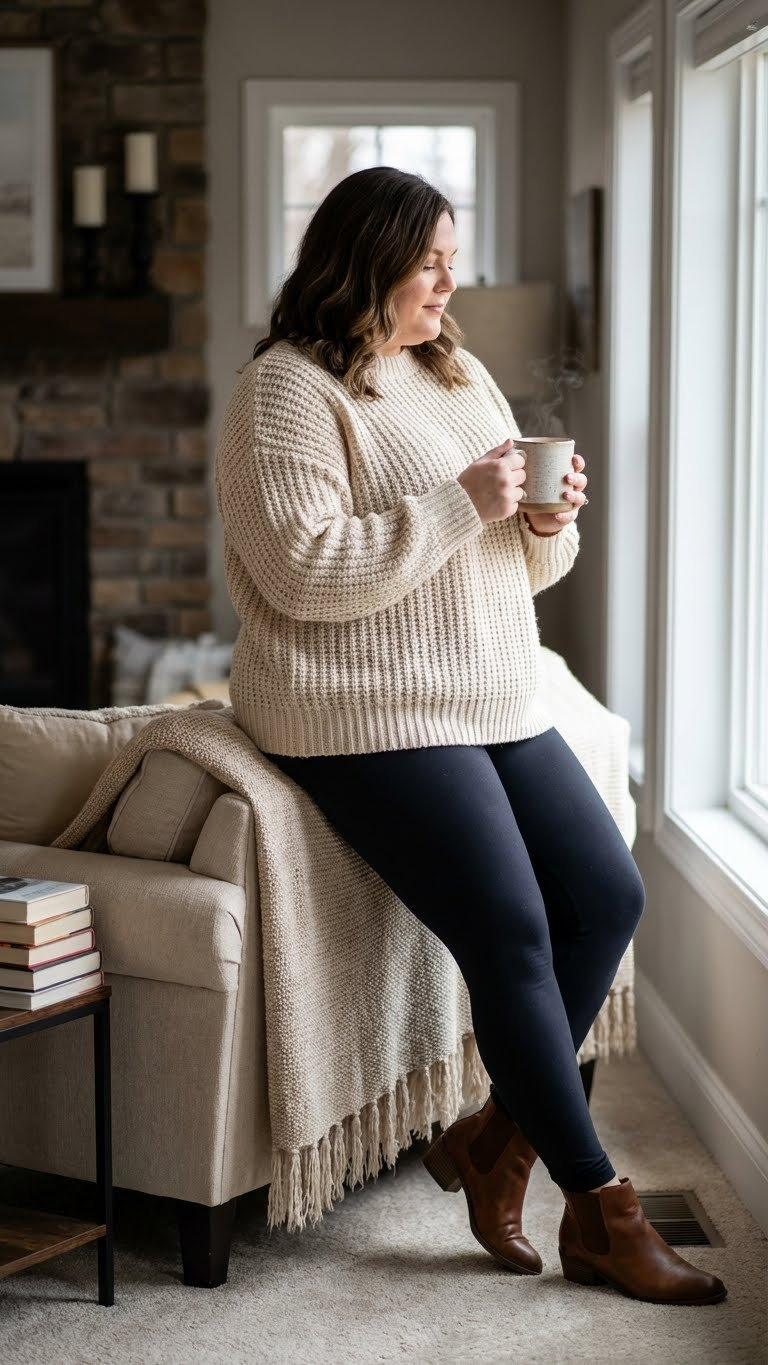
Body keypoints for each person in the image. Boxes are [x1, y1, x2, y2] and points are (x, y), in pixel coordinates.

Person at [214, 166, 726, 1306]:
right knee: (511, 926)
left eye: (454, 257)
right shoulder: (284, 392)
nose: (451, 281)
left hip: (488, 689)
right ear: (364, 264)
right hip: (357, 702)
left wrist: (545, 522)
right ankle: (601, 1208)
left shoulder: (455, 368)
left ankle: (495, 1140)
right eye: (430, 262)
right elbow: (301, 572)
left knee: (609, 896)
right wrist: (464, 504)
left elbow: (515, 571)